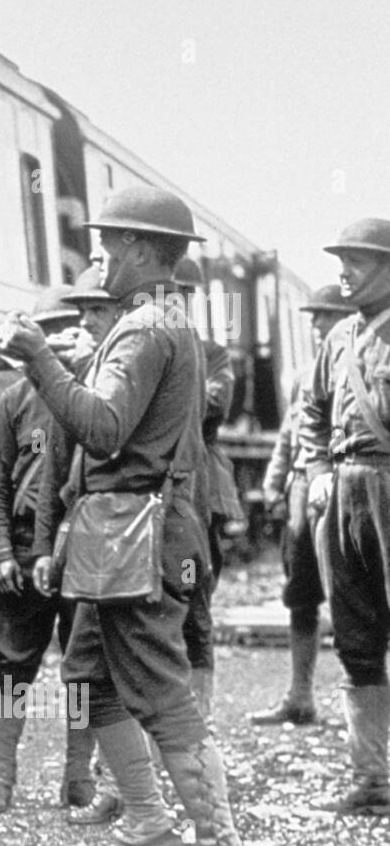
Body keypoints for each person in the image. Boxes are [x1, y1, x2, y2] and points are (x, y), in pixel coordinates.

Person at [0, 185, 259, 846]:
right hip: (120, 536)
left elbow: (105, 429)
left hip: (139, 540)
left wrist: (39, 359)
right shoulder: (161, 323)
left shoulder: (144, 331)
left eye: (111, 242)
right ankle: (149, 828)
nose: (100, 254)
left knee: (164, 697)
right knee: (92, 675)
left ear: (144, 249)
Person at [0, 283, 104, 815]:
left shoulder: (93, 401)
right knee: (11, 665)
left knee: (83, 666)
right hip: (25, 549)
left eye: (67, 332)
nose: (57, 343)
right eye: (48, 333)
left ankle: (79, 777)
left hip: (80, 550)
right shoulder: (14, 399)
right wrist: (2, 552)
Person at [300, 220, 390, 815]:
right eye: (341, 260)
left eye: (355, 260)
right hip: (344, 489)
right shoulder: (338, 340)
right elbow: (311, 413)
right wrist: (315, 474)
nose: (343, 271)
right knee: (355, 635)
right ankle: (374, 780)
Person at [252, 284, 351, 727]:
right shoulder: (304, 375)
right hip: (300, 495)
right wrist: (274, 482)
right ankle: (300, 696)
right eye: (312, 318)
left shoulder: (359, 367)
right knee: (301, 594)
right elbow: (290, 437)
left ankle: (364, 704)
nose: (315, 326)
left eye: (323, 316)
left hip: (344, 491)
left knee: (357, 598)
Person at [172, 256, 242, 723]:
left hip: (196, 488)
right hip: (143, 490)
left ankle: (197, 720)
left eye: (177, 294)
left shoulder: (211, 354)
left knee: (194, 603)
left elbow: (214, 404)